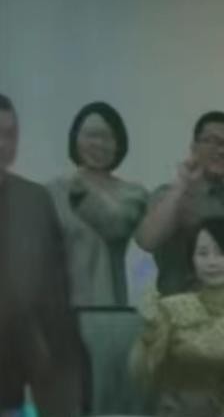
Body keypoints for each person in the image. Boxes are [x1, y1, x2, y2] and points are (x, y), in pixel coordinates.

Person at [130, 218, 224, 417]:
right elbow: (143, 376)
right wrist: (150, 332)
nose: (212, 262)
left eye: (221, 253)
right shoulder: (170, 308)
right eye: (203, 253)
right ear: (193, 260)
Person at [0, 94, 86, 416]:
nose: (3, 144)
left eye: (10, 134)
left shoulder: (34, 200)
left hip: (22, 367)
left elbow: (55, 288)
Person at [136, 111, 224, 296]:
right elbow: (147, 240)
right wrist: (181, 186)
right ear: (194, 146)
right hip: (181, 307)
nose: (222, 151)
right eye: (213, 141)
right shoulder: (171, 195)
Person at [47, 102, 148, 306]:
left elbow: (116, 226)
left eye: (107, 137)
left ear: (119, 143)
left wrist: (82, 192)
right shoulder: (53, 191)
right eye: (91, 135)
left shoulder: (133, 194)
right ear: (75, 139)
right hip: (60, 307)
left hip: (109, 307)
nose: (99, 143)